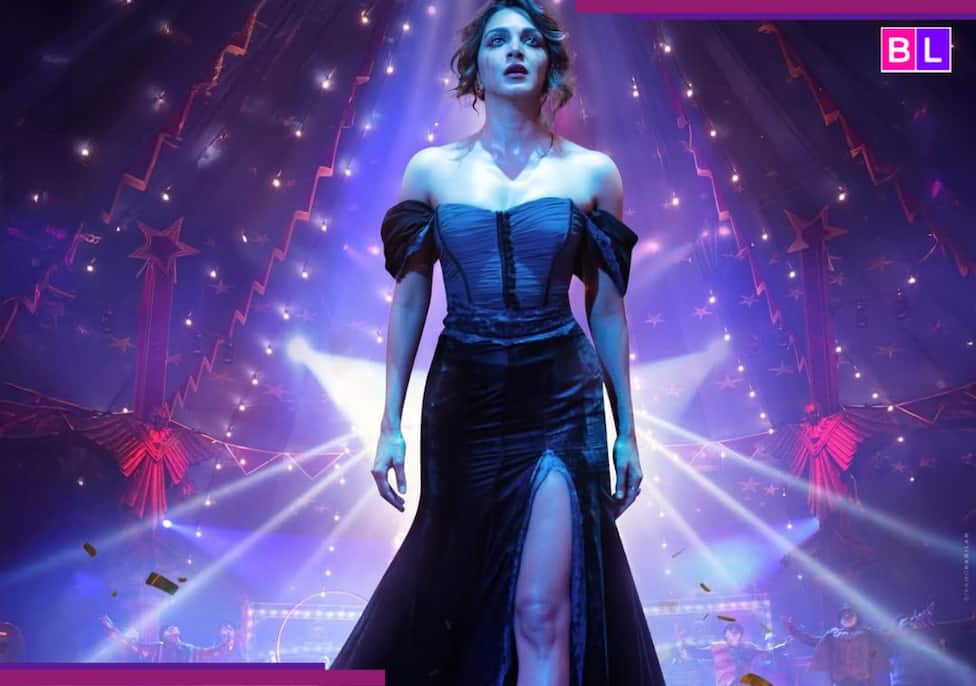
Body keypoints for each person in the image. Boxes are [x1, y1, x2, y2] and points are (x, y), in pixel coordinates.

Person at [329, 1, 665, 684]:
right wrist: (388, 425)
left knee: (541, 608)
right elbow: (410, 301)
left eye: (530, 41)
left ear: (550, 65)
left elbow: (607, 310)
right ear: (474, 67)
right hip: (463, 398)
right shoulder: (431, 170)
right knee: (451, 593)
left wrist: (628, 431)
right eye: (498, 41)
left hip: (560, 396)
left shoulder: (593, 173)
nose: (514, 50)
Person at [783, 605, 890, 686]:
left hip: (861, 681)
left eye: (850, 614)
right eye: (844, 615)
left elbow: (882, 643)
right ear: (840, 619)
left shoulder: (867, 634)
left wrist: (872, 657)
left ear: (857, 618)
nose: (847, 616)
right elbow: (812, 641)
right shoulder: (833, 636)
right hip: (841, 681)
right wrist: (792, 629)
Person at [676, 623, 790, 686]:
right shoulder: (717, 648)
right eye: (731, 631)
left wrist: (784, 645)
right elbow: (698, 652)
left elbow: (767, 653)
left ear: (740, 635)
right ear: (725, 635)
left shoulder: (748, 648)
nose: (734, 633)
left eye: (737, 631)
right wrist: (681, 640)